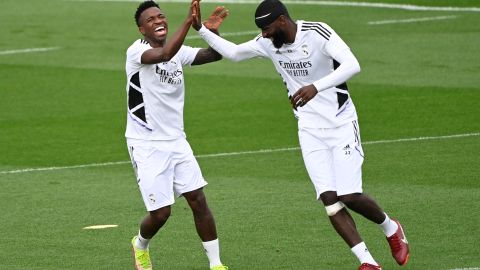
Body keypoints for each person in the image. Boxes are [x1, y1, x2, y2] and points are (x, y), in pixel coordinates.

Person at [192, 1, 409, 269]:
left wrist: (315, 87)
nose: (265, 34)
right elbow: (235, 53)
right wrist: (202, 29)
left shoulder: (317, 32)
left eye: (268, 28)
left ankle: (390, 227)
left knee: (350, 195)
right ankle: (367, 262)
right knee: (330, 200)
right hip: (309, 128)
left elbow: (352, 65)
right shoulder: (267, 42)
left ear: (282, 20)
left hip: (341, 123)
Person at [125, 1, 229, 269]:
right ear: (141, 28)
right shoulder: (136, 52)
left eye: (161, 16)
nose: (158, 21)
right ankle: (140, 244)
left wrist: (211, 32)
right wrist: (188, 21)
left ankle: (216, 265)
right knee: (161, 214)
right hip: (146, 143)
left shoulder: (178, 52)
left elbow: (214, 55)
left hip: (177, 141)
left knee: (198, 200)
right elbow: (163, 55)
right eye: (151, 19)